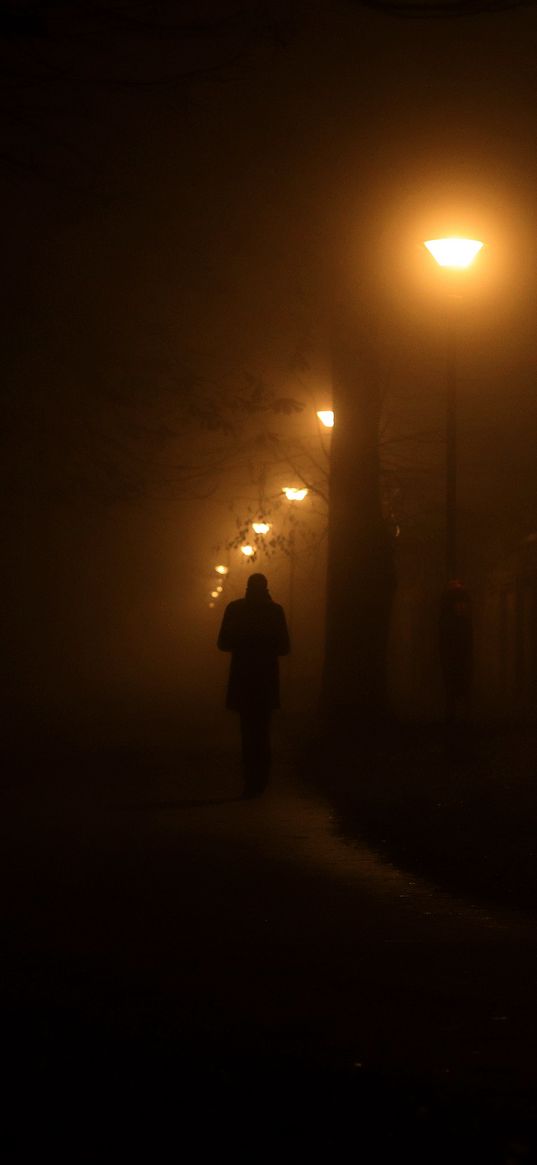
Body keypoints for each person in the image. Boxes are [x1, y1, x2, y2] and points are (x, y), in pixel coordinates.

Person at [217, 573, 290, 798]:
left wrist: (244, 642)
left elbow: (222, 643)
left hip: (243, 679)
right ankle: (260, 779)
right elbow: (285, 647)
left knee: (248, 732)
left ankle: (251, 780)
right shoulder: (275, 611)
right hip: (266, 679)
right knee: (262, 731)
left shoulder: (235, 609)